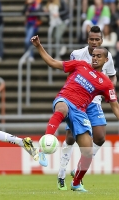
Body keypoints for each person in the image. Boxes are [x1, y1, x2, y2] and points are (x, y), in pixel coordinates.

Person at [31, 35, 119, 192]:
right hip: (64, 99)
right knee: (61, 109)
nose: (95, 58)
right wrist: (39, 46)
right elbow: (52, 62)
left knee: (87, 150)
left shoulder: (105, 83)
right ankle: (42, 150)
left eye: (99, 56)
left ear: (106, 60)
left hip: (80, 111)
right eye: (93, 55)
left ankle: (76, 182)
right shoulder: (80, 65)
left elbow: (115, 107)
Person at [56, 25, 117, 191]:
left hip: (95, 101)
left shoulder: (107, 56)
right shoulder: (77, 54)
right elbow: (70, 75)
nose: (95, 42)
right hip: (77, 100)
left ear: (102, 41)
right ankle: (61, 172)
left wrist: (109, 89)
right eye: (92, 39)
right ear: (87, 39)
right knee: (70, 137)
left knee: (100, 137)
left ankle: (78, 170)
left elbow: (112, 76)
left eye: (98, 39)